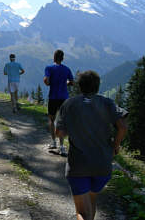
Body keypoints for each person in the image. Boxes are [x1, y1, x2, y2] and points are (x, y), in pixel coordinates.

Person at [55, 70, 128, 220]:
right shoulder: (107, 103)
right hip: (102, 166)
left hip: (78, 166)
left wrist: (75, 128)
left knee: (81, 212)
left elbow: (59, 133)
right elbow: (123, 126)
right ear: (97, 86)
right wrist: (115, 145)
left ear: (80, 86)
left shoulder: (69, 104)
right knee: (91, 202)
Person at [43, 49, 73, 156]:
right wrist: (65, 82)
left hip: (53, 97)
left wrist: (47, 82)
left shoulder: (49, 68)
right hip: (64, 97)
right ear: (63, 58)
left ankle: (53, 142)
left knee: (51, 119)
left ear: (54, 57)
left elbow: (46, 81)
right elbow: (72, 82)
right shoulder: (67, 69)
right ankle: (62, 146)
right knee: (61, 121)